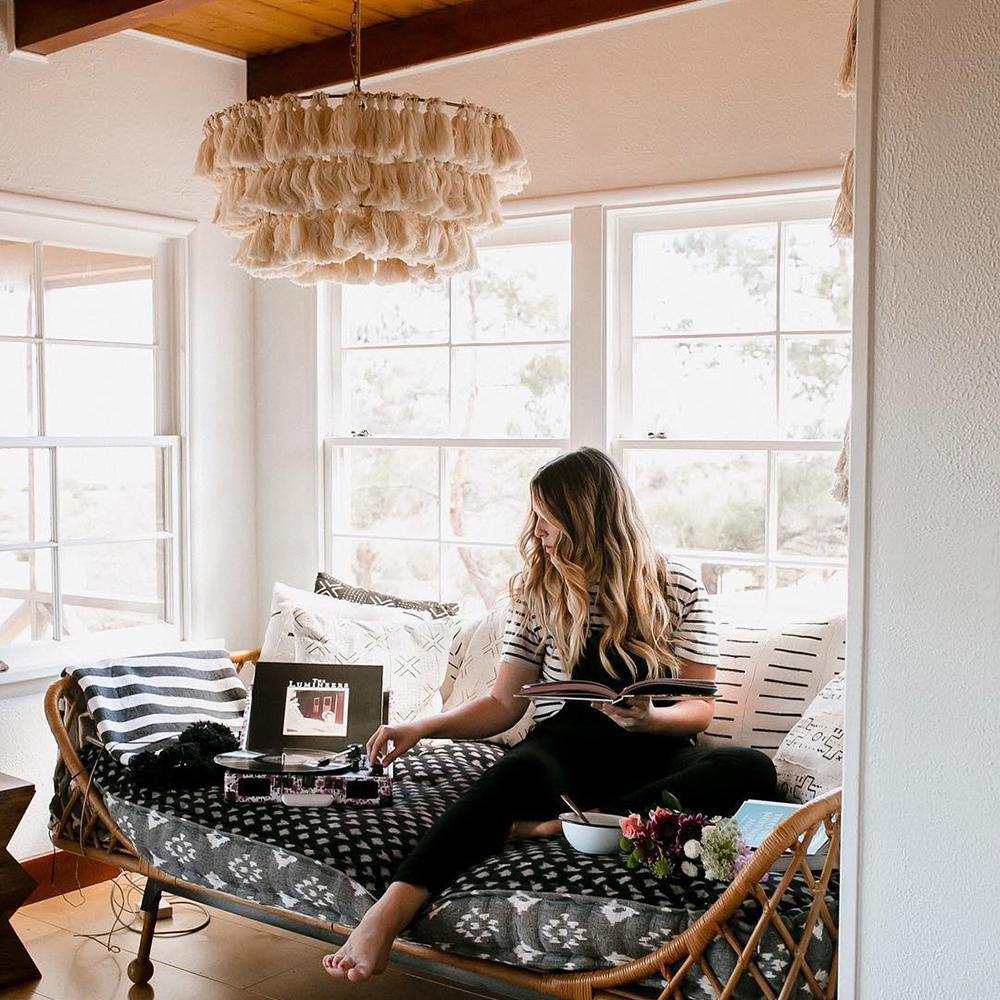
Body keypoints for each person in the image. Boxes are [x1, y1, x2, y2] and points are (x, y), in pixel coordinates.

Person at [323, 447, 776, 983]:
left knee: (750, 768)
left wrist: (651, 718)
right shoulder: (535, 588)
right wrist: (421, 727)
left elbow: (700, 705)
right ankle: (386, 914)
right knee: (514, 772)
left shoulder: (677, 584)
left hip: (656, 751)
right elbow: (503, 704)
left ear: (584, 516)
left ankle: (556, 828)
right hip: (565, 749)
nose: (535, 531)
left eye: (545, 516)